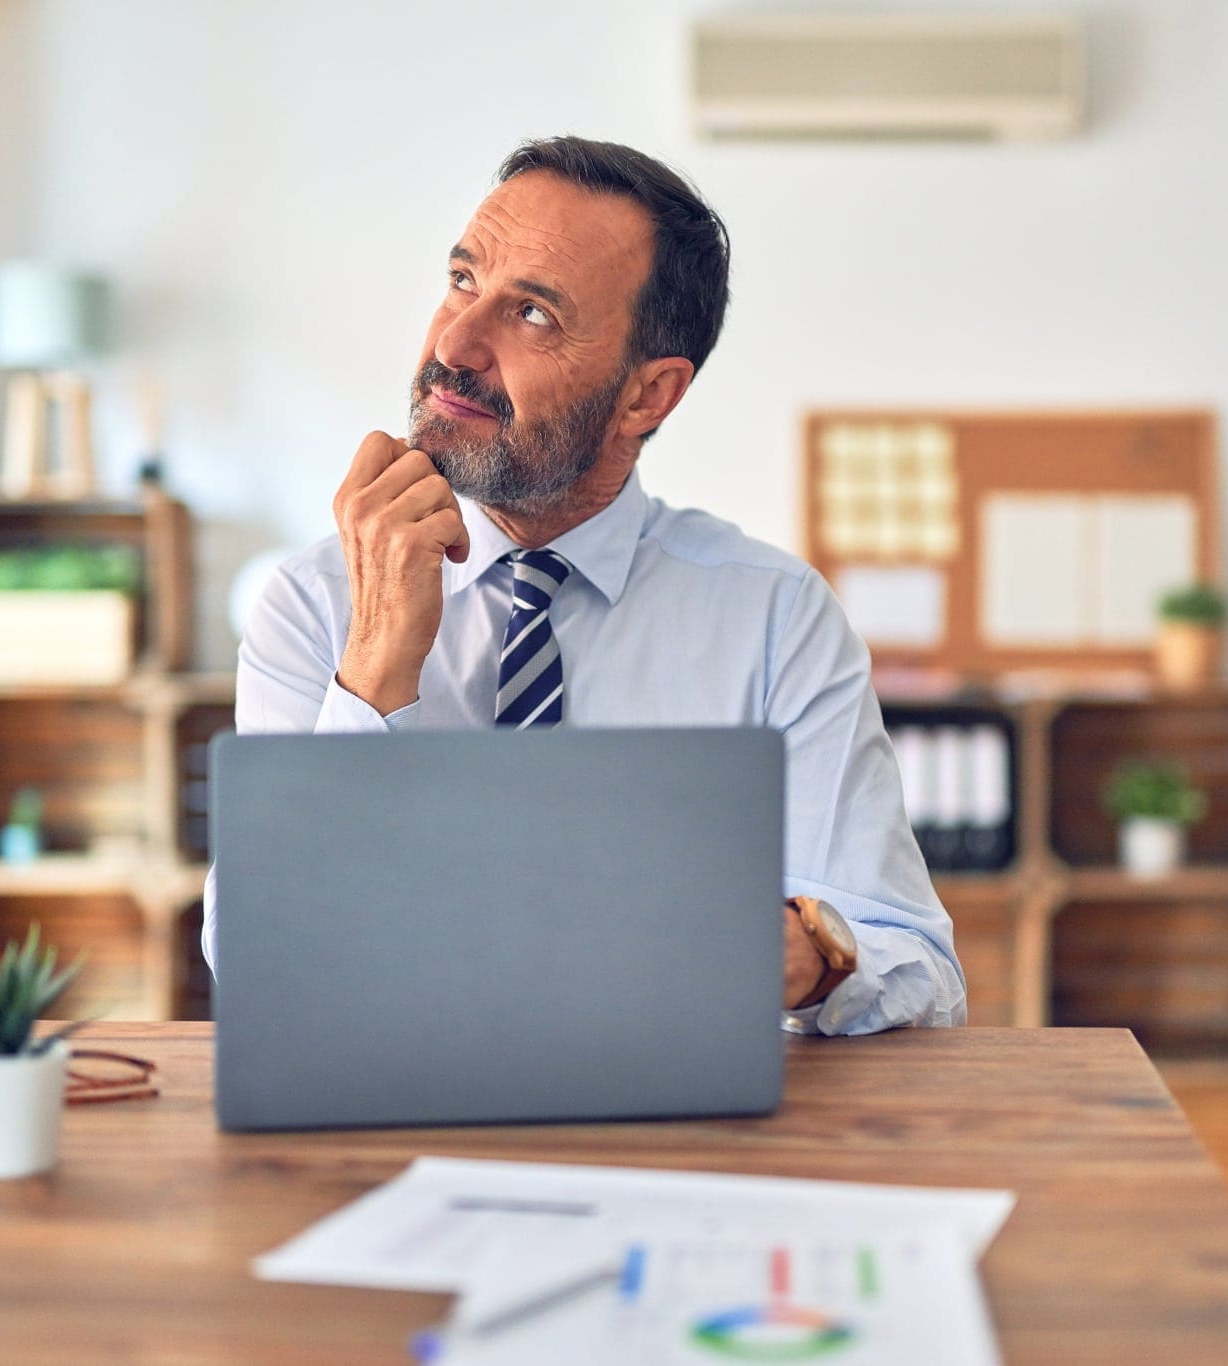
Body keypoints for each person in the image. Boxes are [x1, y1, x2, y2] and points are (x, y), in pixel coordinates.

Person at [205, 135, 964, 1035]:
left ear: (647, 396)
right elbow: (263, 956)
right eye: (462, 279)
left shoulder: (774, 617)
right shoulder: (318, 602)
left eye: (532, 314)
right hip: (391, 1115)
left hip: (677, 1133)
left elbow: (920, 970)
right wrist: (374, 665)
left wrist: (803, 960)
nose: (455, 342)